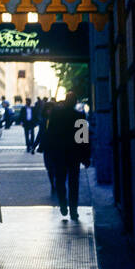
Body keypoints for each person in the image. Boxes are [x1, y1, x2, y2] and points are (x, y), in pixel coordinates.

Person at [43, 90, 90, 220]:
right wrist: (86, 157)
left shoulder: (56, 115)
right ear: (75, 102)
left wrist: (50, 152)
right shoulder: (79, 116)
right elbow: (83, 139)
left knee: (60, 180)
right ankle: (73, 210)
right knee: (74, 183)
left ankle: (63, 203)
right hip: (74, 154)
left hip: (59, 154)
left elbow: (50, 134)